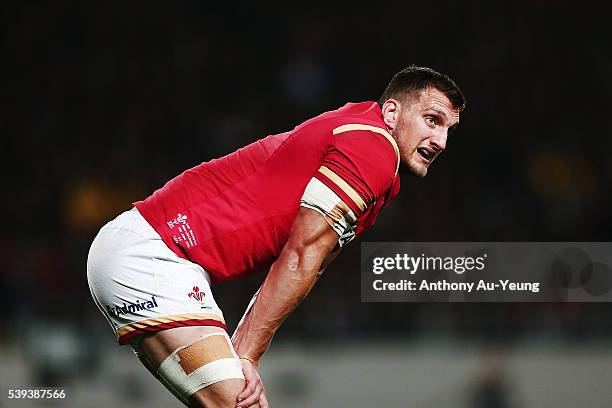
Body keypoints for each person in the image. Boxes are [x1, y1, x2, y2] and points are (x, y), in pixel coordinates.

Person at [86, 65, 465, 407]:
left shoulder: (363, 139)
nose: (441, 141)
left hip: (149, 253)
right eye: (432, 120)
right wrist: (247, 354)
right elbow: (302, 254)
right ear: (392, 112)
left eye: (448, 129)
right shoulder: (373, 147)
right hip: (155, 255)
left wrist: (245, 349)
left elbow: (302, 259)